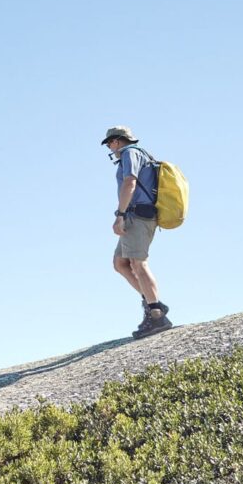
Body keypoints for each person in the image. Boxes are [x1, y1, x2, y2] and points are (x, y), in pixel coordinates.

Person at [102, 126, 172, 336]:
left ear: (116, 141)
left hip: (136, 216)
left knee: (137, 263)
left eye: (109, 144)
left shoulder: (129, 154)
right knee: (120, 262)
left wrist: (120, 214)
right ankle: (154, 303)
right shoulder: (139, 154)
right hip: (137, 215)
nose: (110, 148)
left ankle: (157, 315)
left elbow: (129, 182)